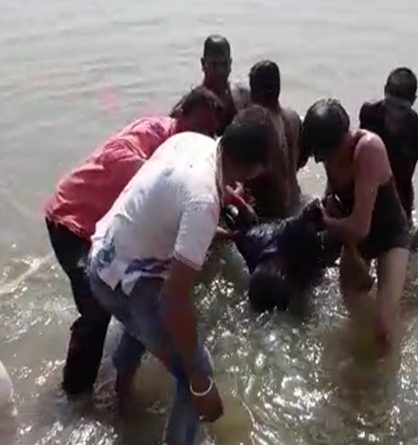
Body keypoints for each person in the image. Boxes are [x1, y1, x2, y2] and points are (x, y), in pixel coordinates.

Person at [87, 107, 271, 445]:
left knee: (139, 327)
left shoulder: (191, 141)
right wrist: (200, 381)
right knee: (196, 372)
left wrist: (216, 215)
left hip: (102, 258)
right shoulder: (203, 202)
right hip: (125, 282)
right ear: (252, 169)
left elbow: (170, 196)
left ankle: (117, 399)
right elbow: (174, 300)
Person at [45, 86, 221, 396]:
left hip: (105, 228)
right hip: (72, 220)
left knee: (136, 293)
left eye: (207, 132)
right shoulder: (154, 130)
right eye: (195, 127)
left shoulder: (189, 157)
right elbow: (116, 153)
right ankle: (74, 396)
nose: (198, 136)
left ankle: (118, 381)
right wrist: (155, 175)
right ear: (180, 115)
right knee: (96, 310)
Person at [301, 99, 410, 354]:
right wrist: (326, 207)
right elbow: (332, 194)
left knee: (382, 326)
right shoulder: (330, 153)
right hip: (355, 238)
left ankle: (387, 371)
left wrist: (327, 222)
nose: (324, 161)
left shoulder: (368, 149)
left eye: (325, 155)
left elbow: (361, 226)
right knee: (354, 314)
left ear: (341, 140)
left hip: (389, 236)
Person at [359, 67, 418, 250]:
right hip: (366, 196)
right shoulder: (369, 113)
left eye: (401, 108)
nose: (394, 113)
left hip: (399, 207)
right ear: (384, 91)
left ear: (413, 102)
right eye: (390, 104)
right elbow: (354, 156)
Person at [246, 60, 304, 218]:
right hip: (296, 204)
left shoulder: (257, 126)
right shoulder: (294, 117)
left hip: (271, 214)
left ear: (255, 94)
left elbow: (242, 173)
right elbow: (302, 159)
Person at [171, 35, 250, 135]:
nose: (220, 71)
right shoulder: (191, 106)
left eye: (224, 64)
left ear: (230, 63)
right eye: (214, 65)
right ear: (203, 64)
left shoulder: (242, 96)